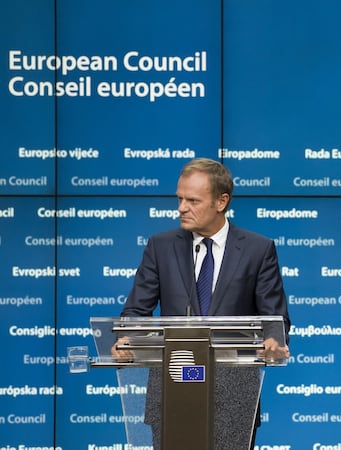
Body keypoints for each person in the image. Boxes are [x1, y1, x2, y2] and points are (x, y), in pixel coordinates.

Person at [111, 157, 291, 449]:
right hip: (172, 390)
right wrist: (126, 340)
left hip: (234, 399)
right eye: (180, 199)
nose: (182, 207)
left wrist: (273, 341)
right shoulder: (161, 246)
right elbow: (134, 313)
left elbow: (274, 318)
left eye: (193, 200)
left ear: (221, 202)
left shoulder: (258, 249)